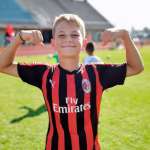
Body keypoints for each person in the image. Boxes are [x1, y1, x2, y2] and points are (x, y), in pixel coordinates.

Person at [0, 14, 144, 150]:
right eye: (62, 35)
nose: (68, 39)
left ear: (84, 43)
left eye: (75, 35)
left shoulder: (97, 73)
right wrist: (19, 37)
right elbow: (3, 66)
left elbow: (136, 67)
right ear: (53, 43)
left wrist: (125, 35)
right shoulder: (43, 73)